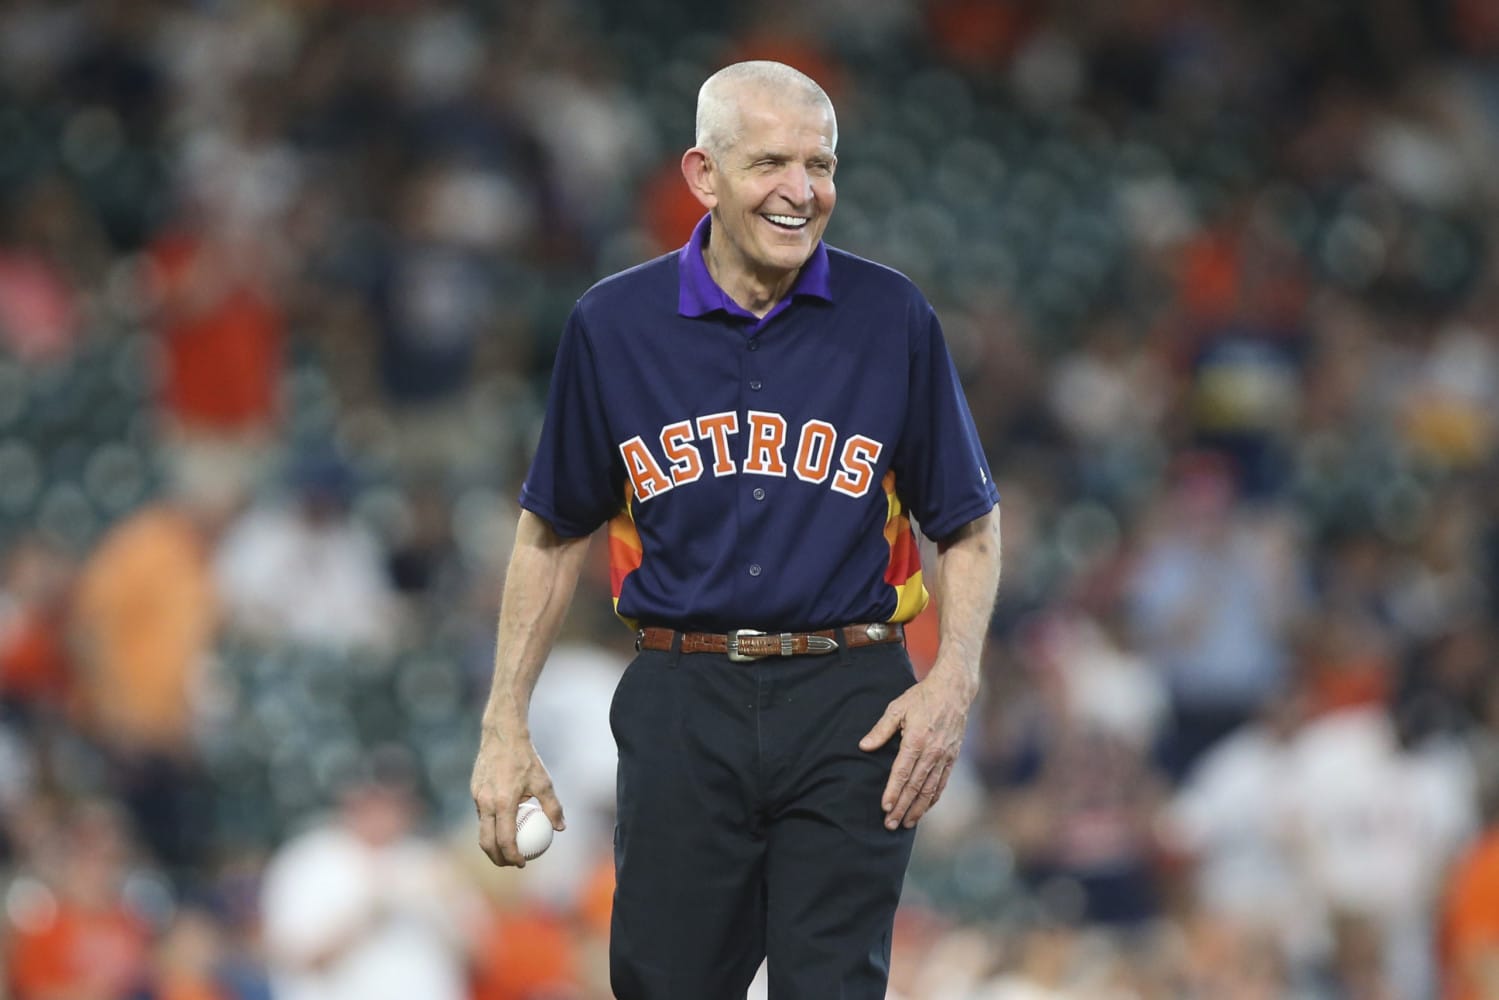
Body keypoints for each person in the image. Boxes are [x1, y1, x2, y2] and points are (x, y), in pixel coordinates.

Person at [470, 60, 1003, 999]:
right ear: (703, 175)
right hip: (684, 693)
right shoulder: (613, 324)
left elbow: (967, 522)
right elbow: (551, 532)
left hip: (851, 699)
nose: (801, 190)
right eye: (770, 164)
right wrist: (503, 722)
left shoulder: (891, 316)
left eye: (819, 165)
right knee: (664, 984)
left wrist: (952, 682)